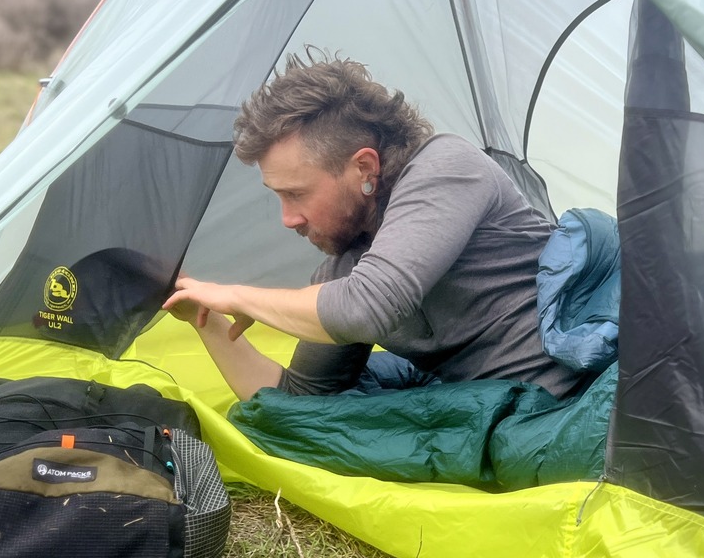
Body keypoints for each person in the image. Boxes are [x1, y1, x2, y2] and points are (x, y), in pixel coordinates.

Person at [163, 55, 580, 401]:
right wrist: (204, 318)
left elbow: (364, 309)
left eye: (296, 194)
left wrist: (237, 295)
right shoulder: (350, 265)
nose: (287, 219)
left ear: (364, 167)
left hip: (576, 396)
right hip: (495, 411)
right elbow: (295, 399)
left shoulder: (448, 169)